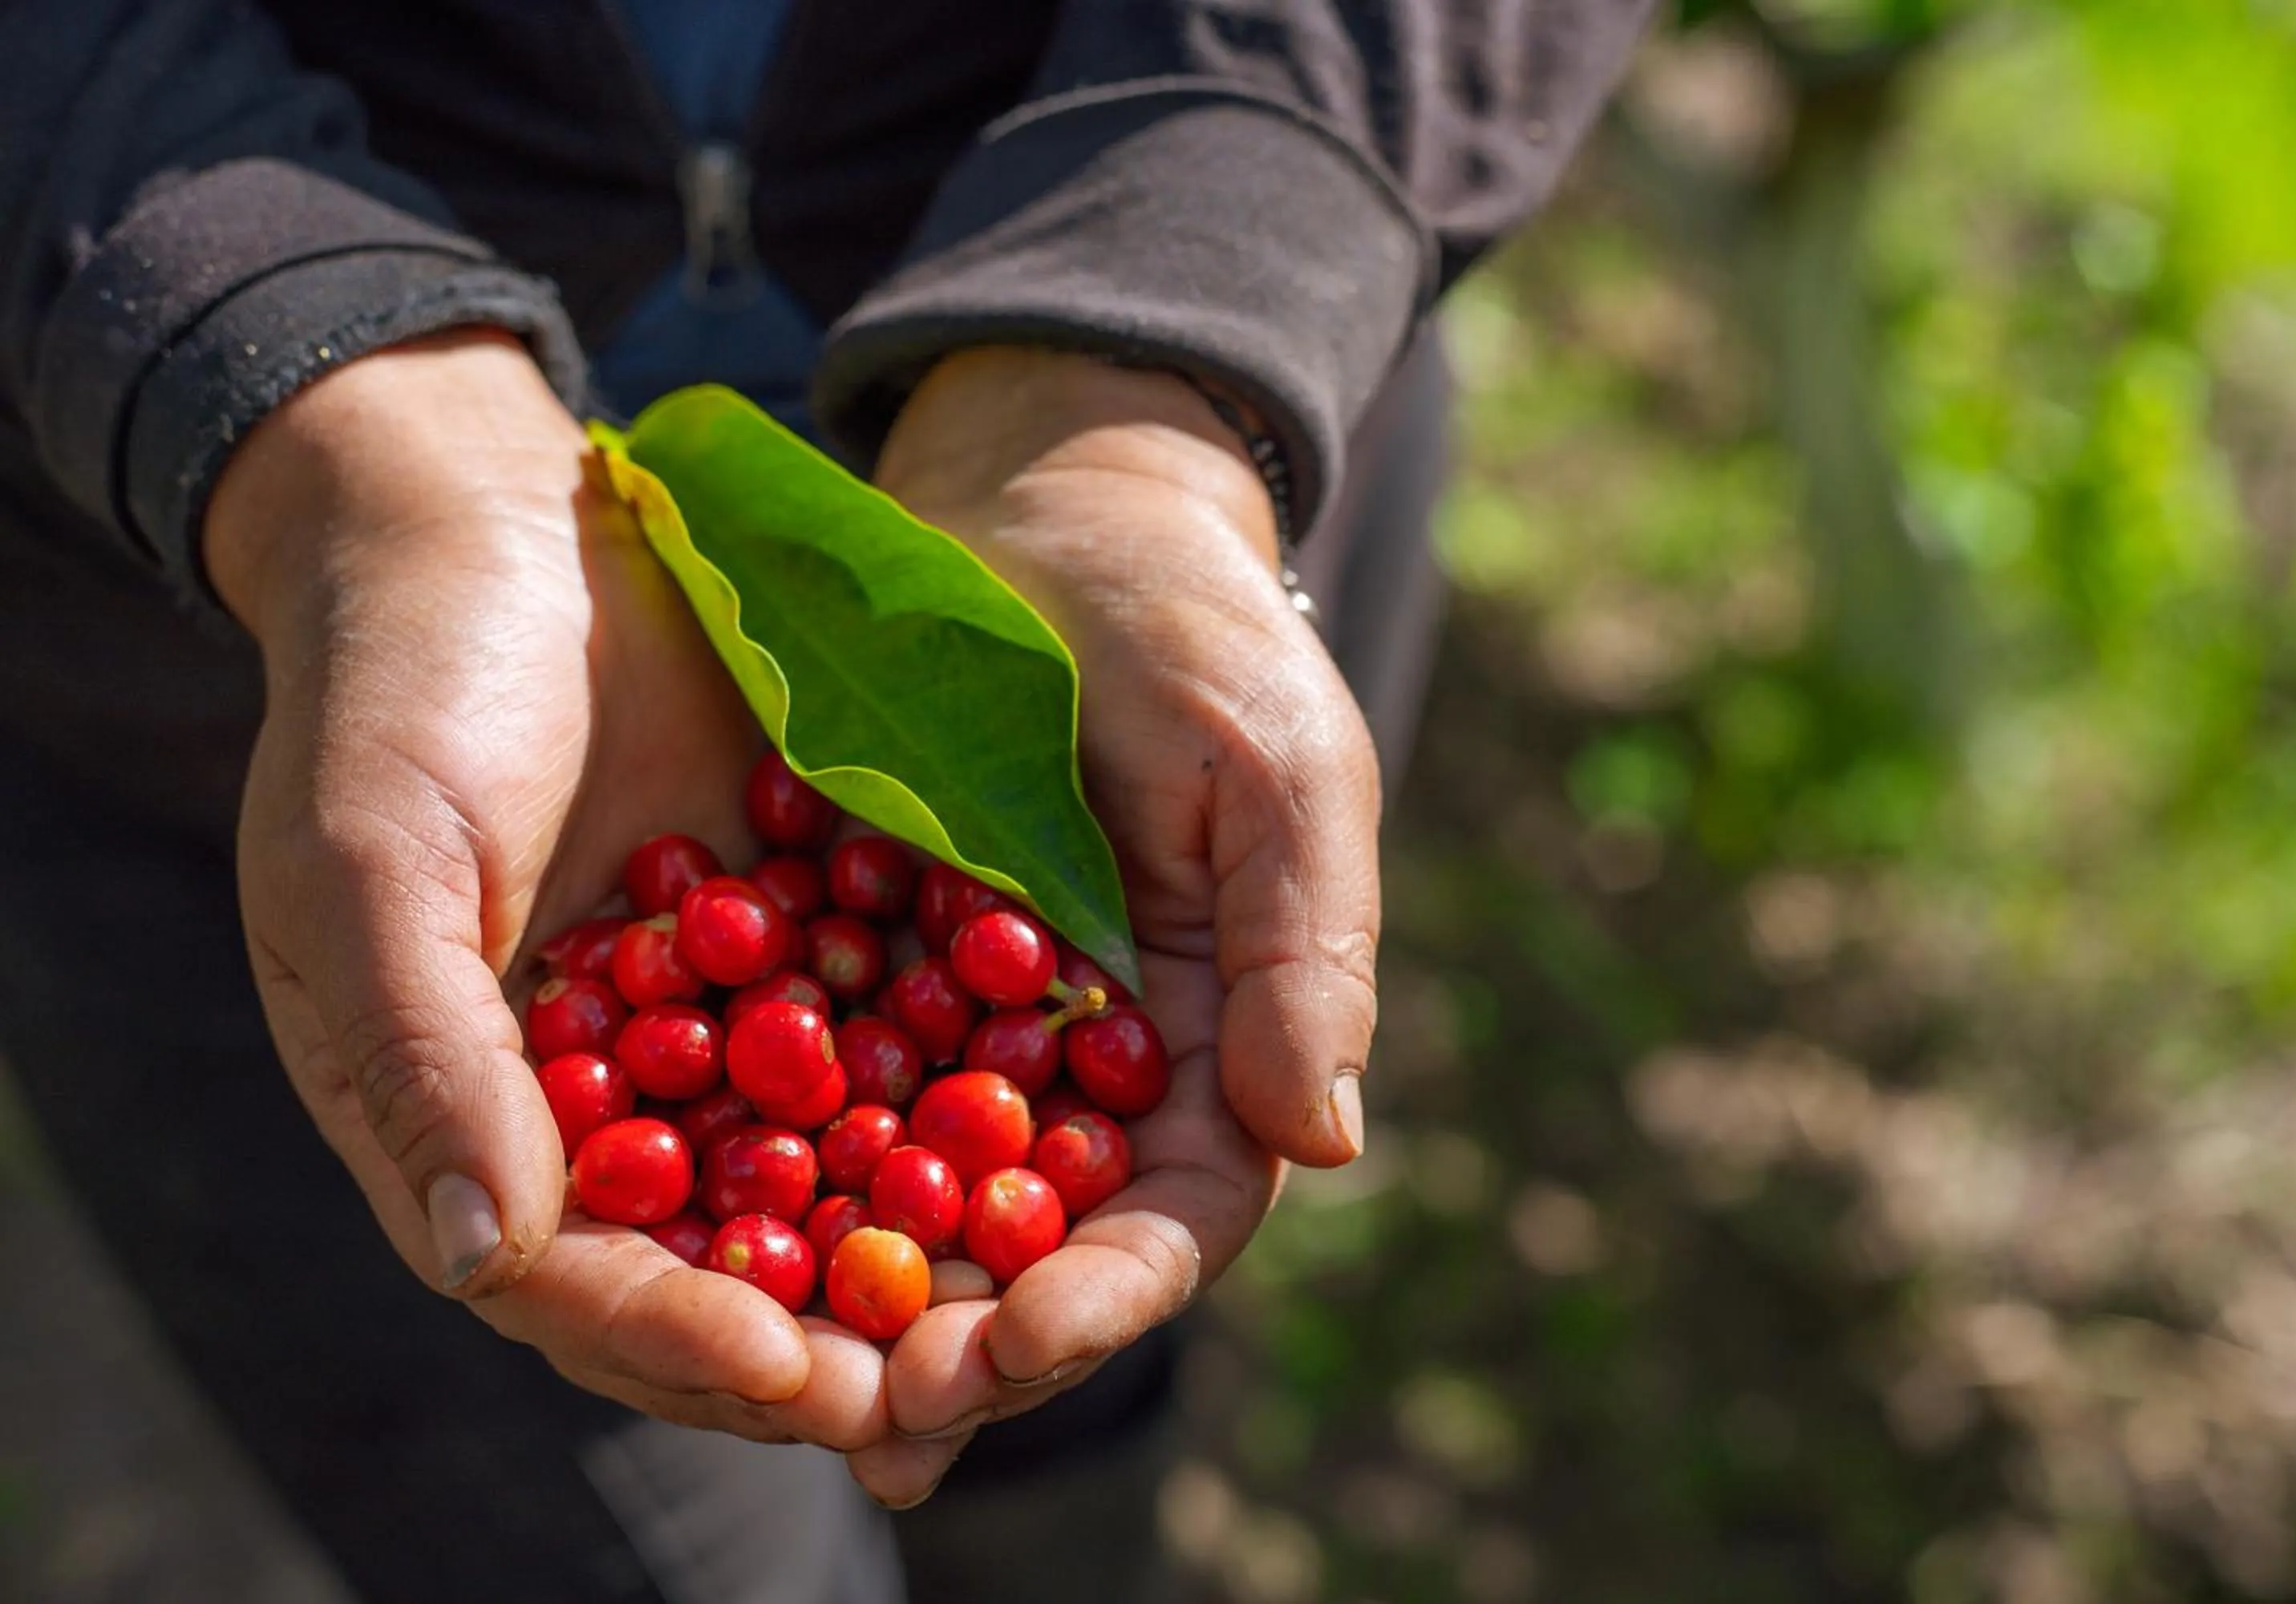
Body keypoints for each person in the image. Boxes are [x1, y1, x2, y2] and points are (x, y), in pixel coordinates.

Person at [0, 3, 1651, 1599]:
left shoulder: (1017, 968)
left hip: (1163, 520)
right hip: (192, 667)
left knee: (1071, 1395)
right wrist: (291, 375)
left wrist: (1179, 300)